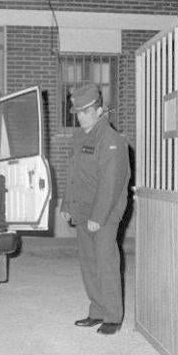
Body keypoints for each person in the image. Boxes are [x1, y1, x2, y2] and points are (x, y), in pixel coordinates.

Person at [60, 83, 130, 335]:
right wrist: (67, 205)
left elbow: (111, 184)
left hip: (105, 214)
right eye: (78, 112)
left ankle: (113, 315)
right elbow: (73, 174)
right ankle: (97, 310)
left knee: (105, 262)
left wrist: (98, 218)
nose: (81, 116)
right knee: (89, 263)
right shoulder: (81, 137)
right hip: (83, 211)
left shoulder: (111, 140)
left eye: (86, 111)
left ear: (100, 110)